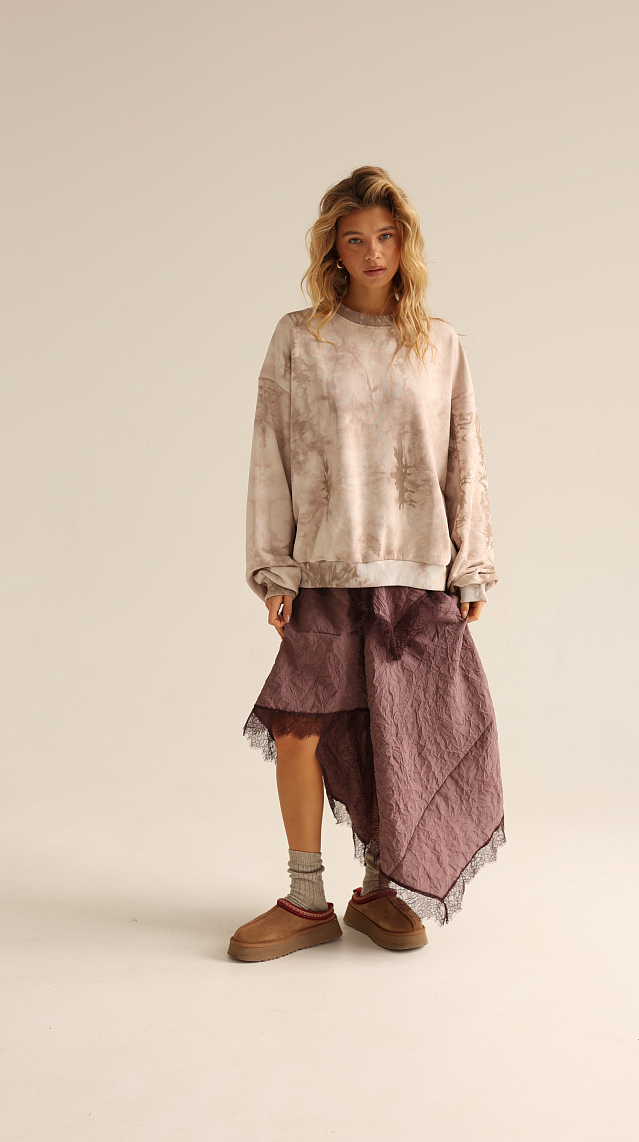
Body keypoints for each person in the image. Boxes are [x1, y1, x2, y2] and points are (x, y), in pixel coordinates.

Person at [228, 165, 505, 963]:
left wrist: (472, 564)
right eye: (356, 239)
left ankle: (380, 889)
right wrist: (274, 570)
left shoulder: (440, 344)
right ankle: (306, 898)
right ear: (334, 250)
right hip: (326, 567)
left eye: (386, 236)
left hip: (417, 571)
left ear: (405, 243)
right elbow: (270, 455)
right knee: (297, 729)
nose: (373, 252)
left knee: (398, 735)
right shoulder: (300, 338)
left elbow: (465, 457)